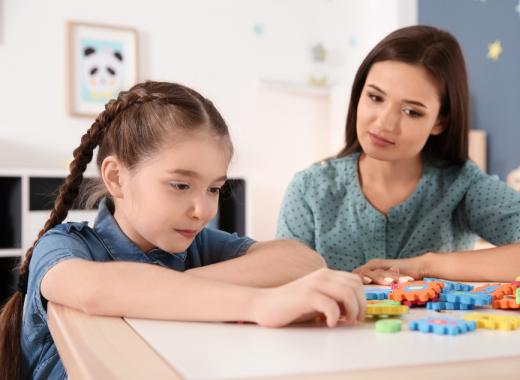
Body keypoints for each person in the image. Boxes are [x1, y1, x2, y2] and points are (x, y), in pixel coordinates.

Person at [0, 81, 365, 380]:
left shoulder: (195, 248)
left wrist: (185, 284)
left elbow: (302, 260)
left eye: (214, 188)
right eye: (180, 185)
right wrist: (259, 302)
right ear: (115, 177)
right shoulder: (64, 245)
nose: (203, 210)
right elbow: (94, 289)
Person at [276, 25, 520, 285]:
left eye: (411, 111)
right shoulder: (310, 190)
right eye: (375, 97)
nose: (384, 123)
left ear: (440, 121)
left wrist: (426, 265)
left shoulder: (463, 187)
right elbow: (281, 286)